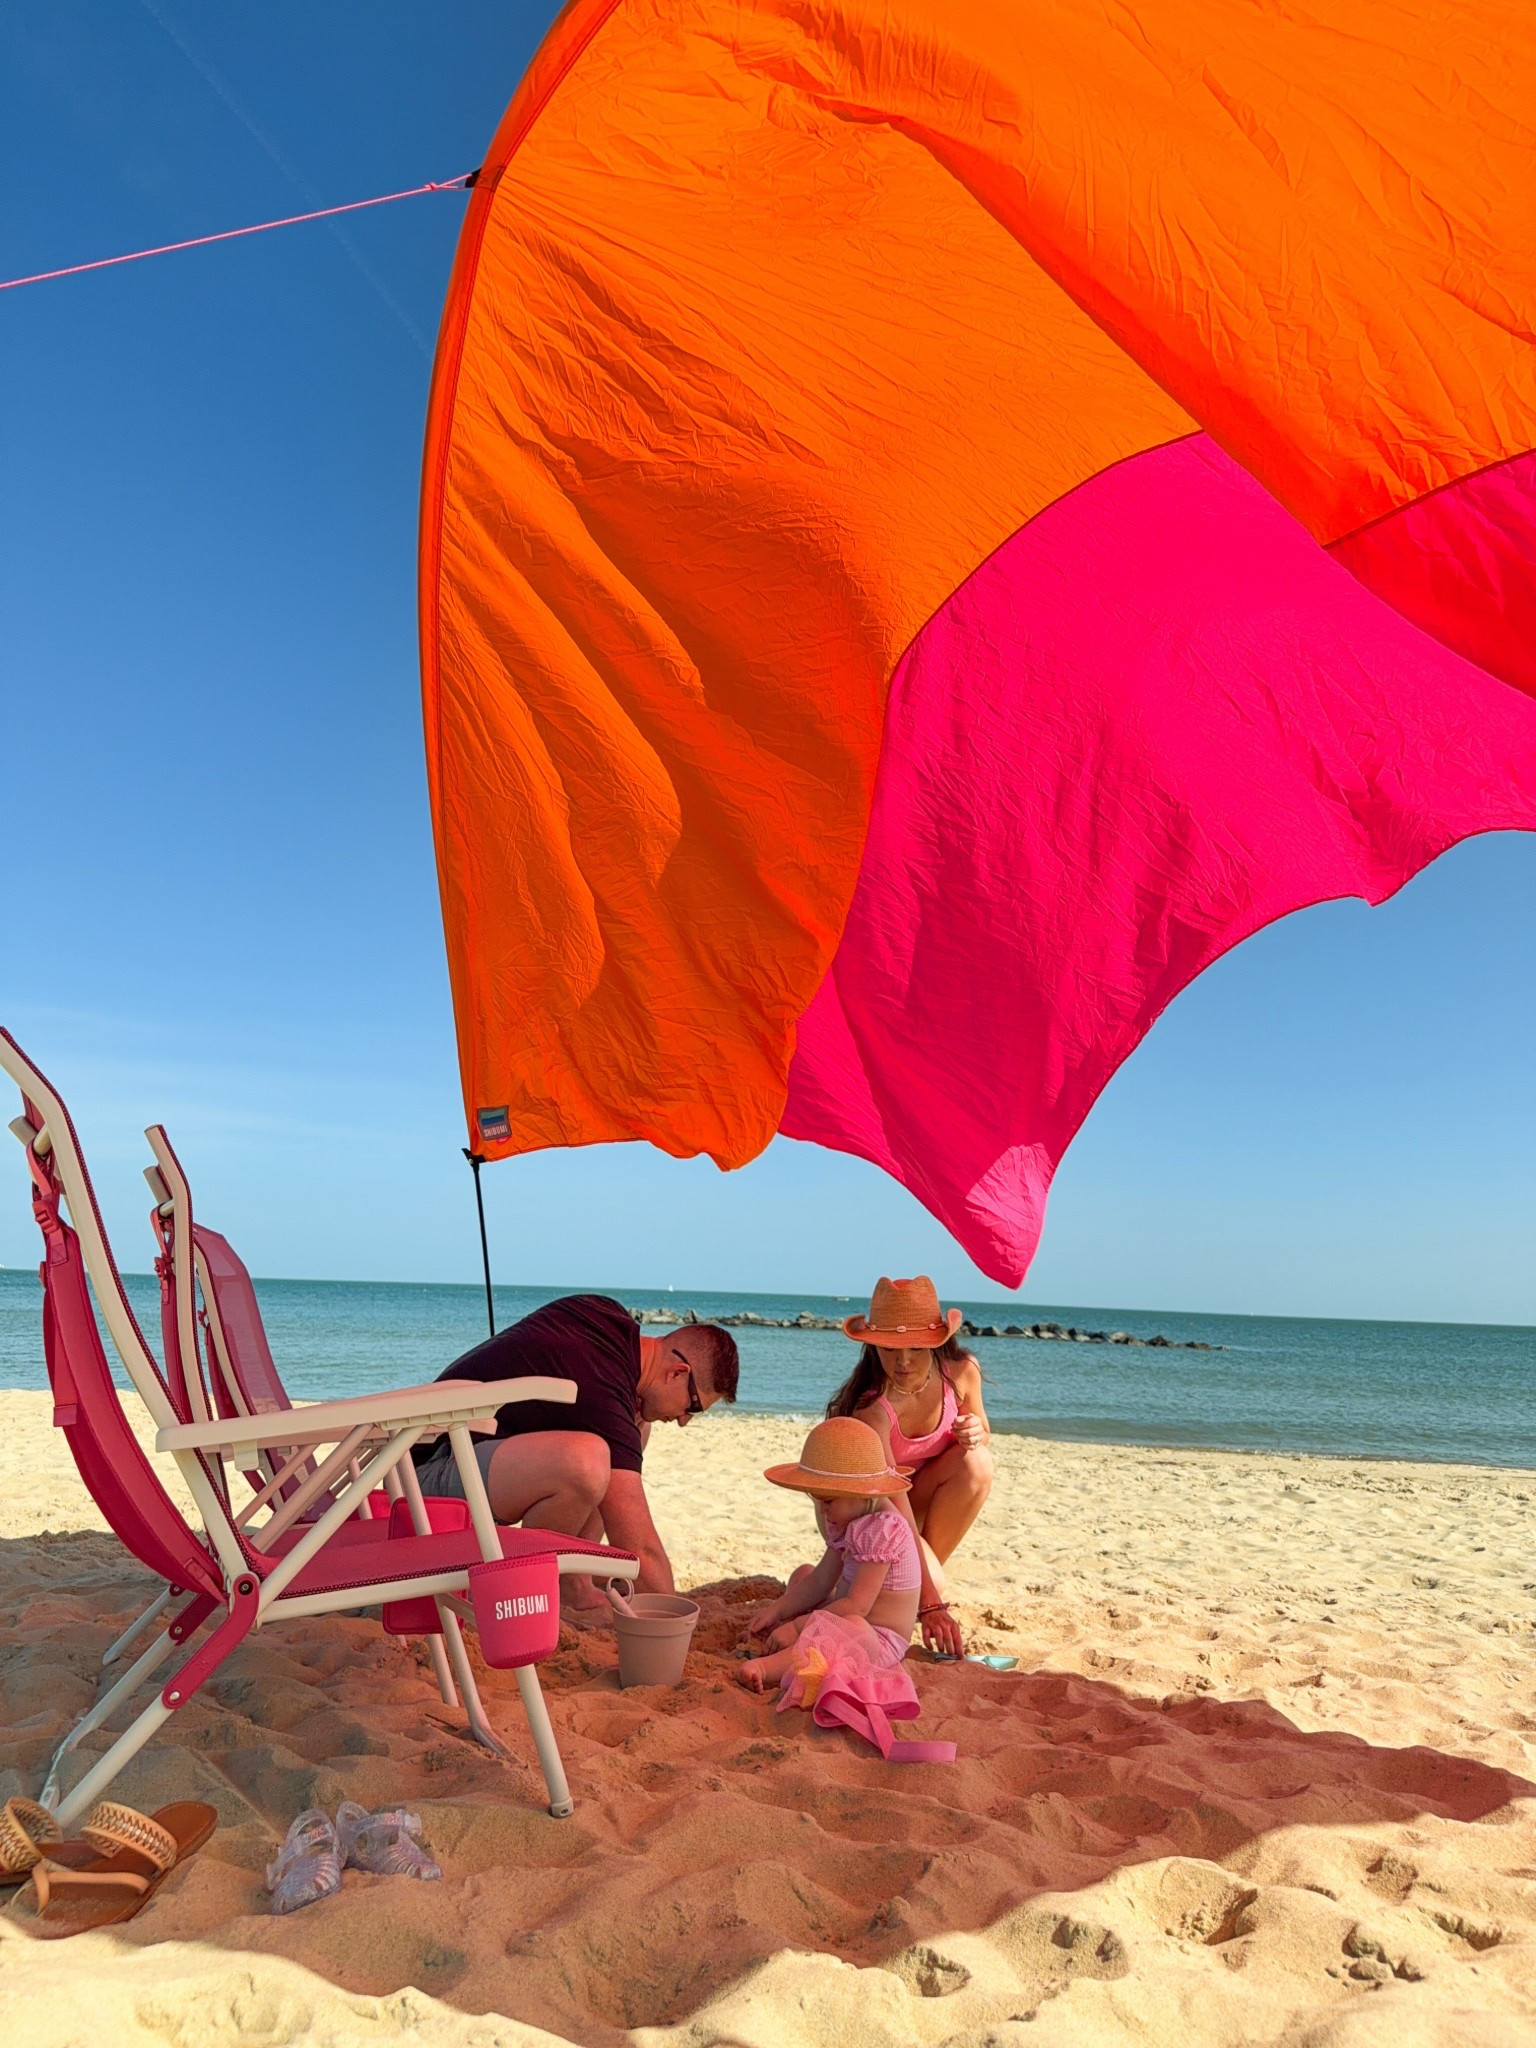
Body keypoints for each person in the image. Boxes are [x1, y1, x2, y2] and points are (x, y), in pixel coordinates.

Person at [411, 1294, 739, 1596]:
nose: (684, 1420)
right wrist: (674, 1616)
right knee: (586, 1462)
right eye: (692, 1407)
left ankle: (573, 1581)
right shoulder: (604, 1388)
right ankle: (538, 1589)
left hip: (464, 1455)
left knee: (636, 1428)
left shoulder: (607, 1318)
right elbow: (639, 1546)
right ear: (677, 1373)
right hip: (421, 1481)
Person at [827, 1275, 993, 1657]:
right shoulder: (872, 1410)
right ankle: (909, 1583)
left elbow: (984, 1428)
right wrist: (931, 1603)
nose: (902, 1362)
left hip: (919, 1498)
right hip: (867, 1510)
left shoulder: (962, 1371)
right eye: (889, 1348)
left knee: (978, 1463)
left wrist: (974, 1431)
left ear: (937, 1341)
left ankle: (904, 1582)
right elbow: (892, 1501)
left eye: (916, 1348)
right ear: (873, 1346)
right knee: (931, 1582)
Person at [737, 1416, 920, 1693]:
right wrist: (777, 1610)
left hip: (875, 1641)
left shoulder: (883, 1528)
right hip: (846, 1614)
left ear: (859, 1494)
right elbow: (822, 1580)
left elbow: (858, 1606)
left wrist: (799, 1626)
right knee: (804, 1574)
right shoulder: (849, 1519)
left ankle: (767, 1668)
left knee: (850, 1626)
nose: (822, 1511)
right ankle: (799, 1635)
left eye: (828, 1501)